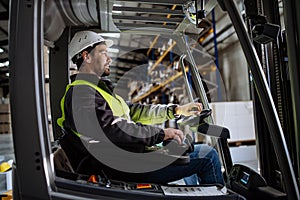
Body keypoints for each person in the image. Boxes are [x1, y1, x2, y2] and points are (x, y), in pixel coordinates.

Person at [57, 30, 224, 186]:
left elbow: (134, 112)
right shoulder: (81, 93)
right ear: (86, 56)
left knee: (186, 156)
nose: (109, 58)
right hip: (123, 167)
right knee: (208, 156)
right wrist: (161, 134)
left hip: (126, 159)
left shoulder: (96, 90)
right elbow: (113, 129)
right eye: (103, 52)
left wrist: (175, 111)